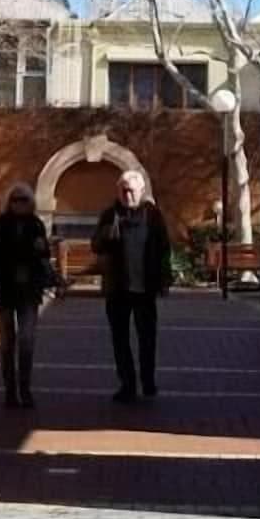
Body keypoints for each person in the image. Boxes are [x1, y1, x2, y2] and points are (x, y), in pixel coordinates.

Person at [0, 182, 59, 408]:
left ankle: (25, 389)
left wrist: (50, 275)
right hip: (3, 290)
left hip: (29, 292)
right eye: (15, 200)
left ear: (31, 203)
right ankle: (10, 391)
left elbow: (43, 257)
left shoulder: (36, 225)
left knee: (27, 341)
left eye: (24, 200)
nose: (20, 204)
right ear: (8, 202)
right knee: (7, 342)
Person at [90, 168, 172, 403]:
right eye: (123, 191)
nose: (127, 195)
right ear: (118, 191)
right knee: (120, 338)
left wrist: (165, 277)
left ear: (142, 191)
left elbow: (165, 247)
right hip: (118, 288)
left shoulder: (153, 215)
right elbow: (95, 245)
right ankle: (127, 383)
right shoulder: (110, 215)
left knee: (147, 337)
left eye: (131, 191)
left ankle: (148, 380)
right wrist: (106, 234)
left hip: (145, 287)